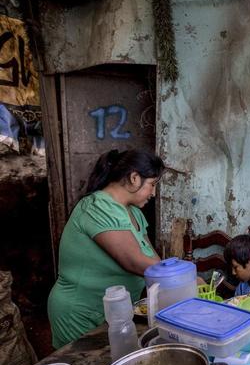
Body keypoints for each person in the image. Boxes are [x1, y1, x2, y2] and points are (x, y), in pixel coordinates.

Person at [48, 149, 165, 349]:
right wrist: (185, 274)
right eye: (152, 185)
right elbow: (135, 262)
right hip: (81, 312)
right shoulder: (96, 207)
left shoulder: (135, 213)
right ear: (134, 178)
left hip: (115, 313)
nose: (154, 193)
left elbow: (153, 261)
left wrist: (175, 274)